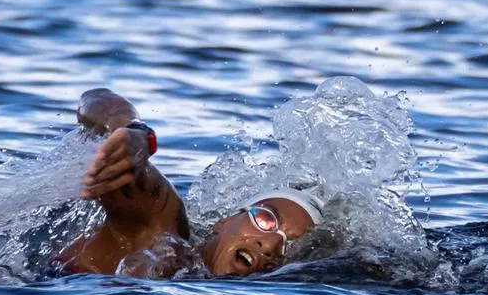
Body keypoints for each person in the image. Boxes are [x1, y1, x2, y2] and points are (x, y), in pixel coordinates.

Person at [54, 88, 325, 277]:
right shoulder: (162, 228)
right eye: (267, 220)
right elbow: (98, 99)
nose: (271, 246)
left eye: (290, 246)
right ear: (224, 221)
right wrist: (136, 136)